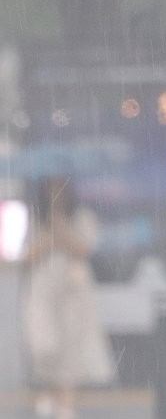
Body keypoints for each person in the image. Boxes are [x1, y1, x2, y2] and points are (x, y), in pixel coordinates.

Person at [24, 177, 114, 419]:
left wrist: (63, 232)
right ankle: (52, 395)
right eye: (51, 188)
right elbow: (27, 255)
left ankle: (65, 404)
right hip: (44, 289)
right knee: (45, 344)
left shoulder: (82, 217)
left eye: (60, 188)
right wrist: (49, 236)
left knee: (71, 347)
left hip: (73, 292)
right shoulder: (36, 217)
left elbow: (85, 248)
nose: (56, 194)